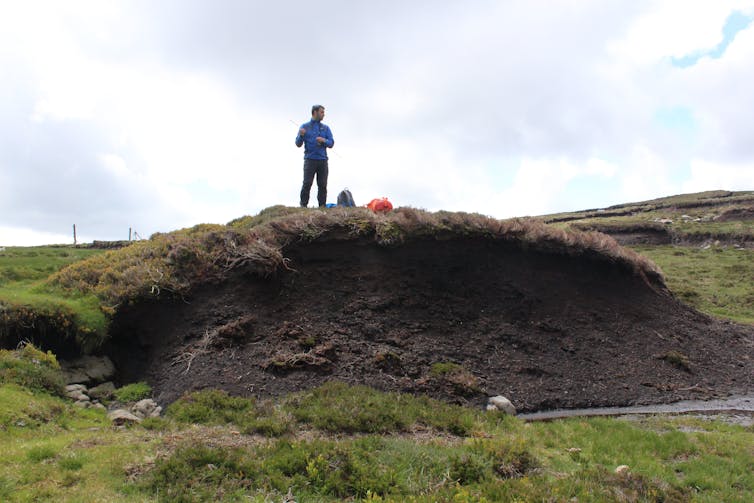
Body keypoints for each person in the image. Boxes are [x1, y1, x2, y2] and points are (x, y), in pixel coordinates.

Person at [296, 104, 334, 207]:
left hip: (322, 160)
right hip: (310, 160)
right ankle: (303, 206)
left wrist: (323, 140)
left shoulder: (325, 128)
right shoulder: (304, 127)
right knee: (307, 183)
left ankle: (322, 206)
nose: (323, 115)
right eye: (321, 112)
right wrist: (301, 135)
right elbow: (298, 144)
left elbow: (331, 143)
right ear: (315, 112)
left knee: (322, 185)